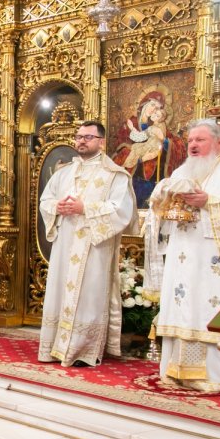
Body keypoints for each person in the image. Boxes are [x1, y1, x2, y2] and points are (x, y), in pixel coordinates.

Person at [146, 119, 220, 392]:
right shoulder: (183, 171)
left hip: (213, 259)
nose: (193, 145)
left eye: (200, 140)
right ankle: (176, 370)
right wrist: (162, 195)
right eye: (191, 141)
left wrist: (208, 201)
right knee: (181, 307)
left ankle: (215, 375)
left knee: (206, 309)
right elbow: (160, 213)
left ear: (219, 142)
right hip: (181, 252)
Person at [38, 121, 136, 366]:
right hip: (65, 244)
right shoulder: (63, 173)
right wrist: (56, 207)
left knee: (88, 296)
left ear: (101, 142)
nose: (81, 141)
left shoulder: (115, 175)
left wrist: (85, 208)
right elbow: (46, 200)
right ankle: (55, 347)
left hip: (94, 246)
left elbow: (121, 210)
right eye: (78, 136)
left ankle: (84, 349)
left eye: (88, 137)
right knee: (61, 292)